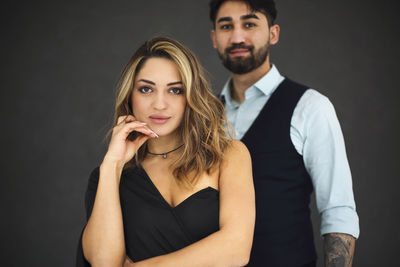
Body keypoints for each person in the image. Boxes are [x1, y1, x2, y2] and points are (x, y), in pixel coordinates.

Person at [76, 36, 255, 267]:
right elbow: (103, 261)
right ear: (130, 95)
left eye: (175, 91)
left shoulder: (229, 155)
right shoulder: (107, 177)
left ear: (191, 96)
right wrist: (112, 164)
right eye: (146, 89)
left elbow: (237, 248)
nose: (159, 104)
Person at [208, 0, 360, 266]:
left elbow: (338, 210)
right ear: (214, 38)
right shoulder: (204, 116)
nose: (237, 36)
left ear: (273, 33)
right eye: (226, 26)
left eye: (249, 24)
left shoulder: (310, 107)